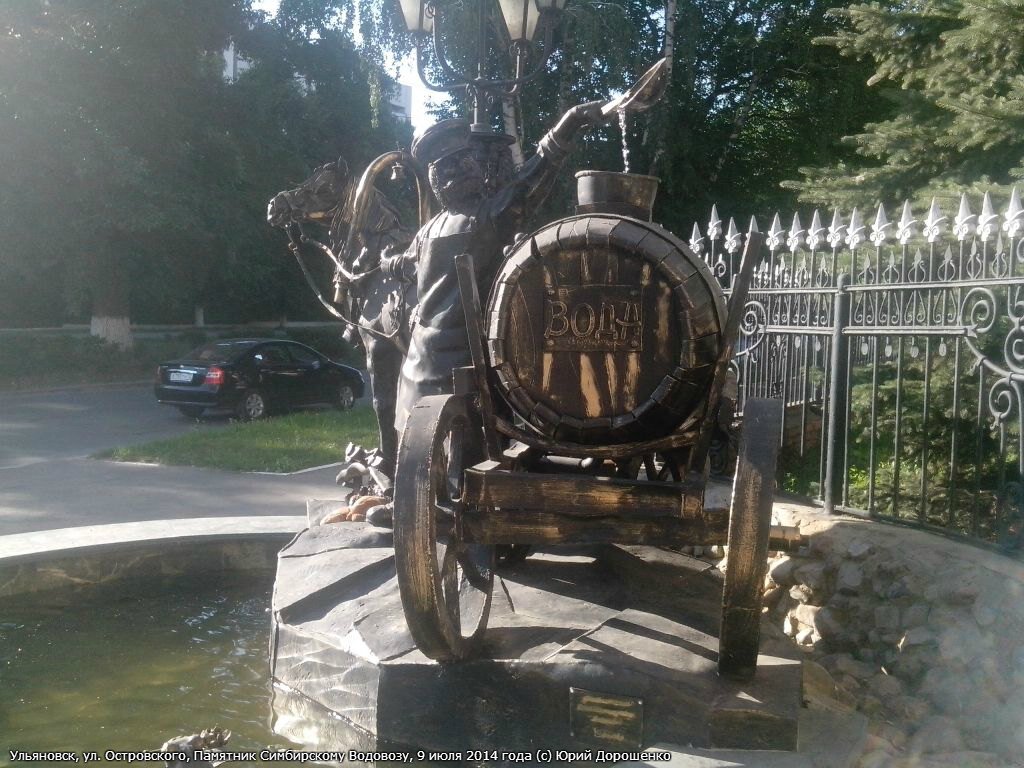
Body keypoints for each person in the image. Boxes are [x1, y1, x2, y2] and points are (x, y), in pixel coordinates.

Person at [383, 102, 609, 439]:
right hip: (465, 379)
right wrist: (569, 124)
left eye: (468, 159)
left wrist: (387, 263)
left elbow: (408, 265)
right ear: (450, 174)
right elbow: (532, 179)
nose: (473, 166)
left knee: (424, 475)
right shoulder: (485, 219)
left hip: (417, 374)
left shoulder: (429, 230)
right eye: (463, 163)